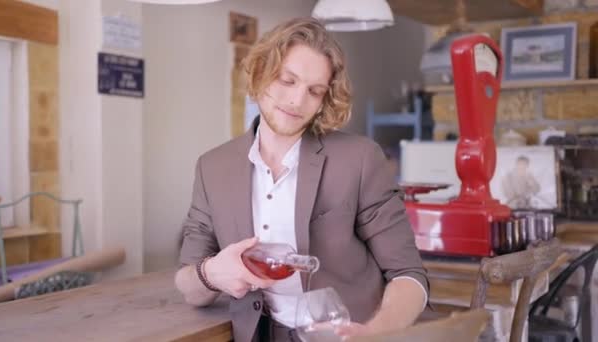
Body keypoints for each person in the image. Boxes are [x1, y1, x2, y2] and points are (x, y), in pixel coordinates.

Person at [175, 17, 428, 342]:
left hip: (348, 334)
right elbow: (188, 284)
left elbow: (410, 276)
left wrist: (374, 334)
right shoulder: (212, 167)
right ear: (260, 73)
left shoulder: (360, 159)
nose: (297, 100)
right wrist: (211, 273)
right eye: (286, 80)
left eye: (314, 91)